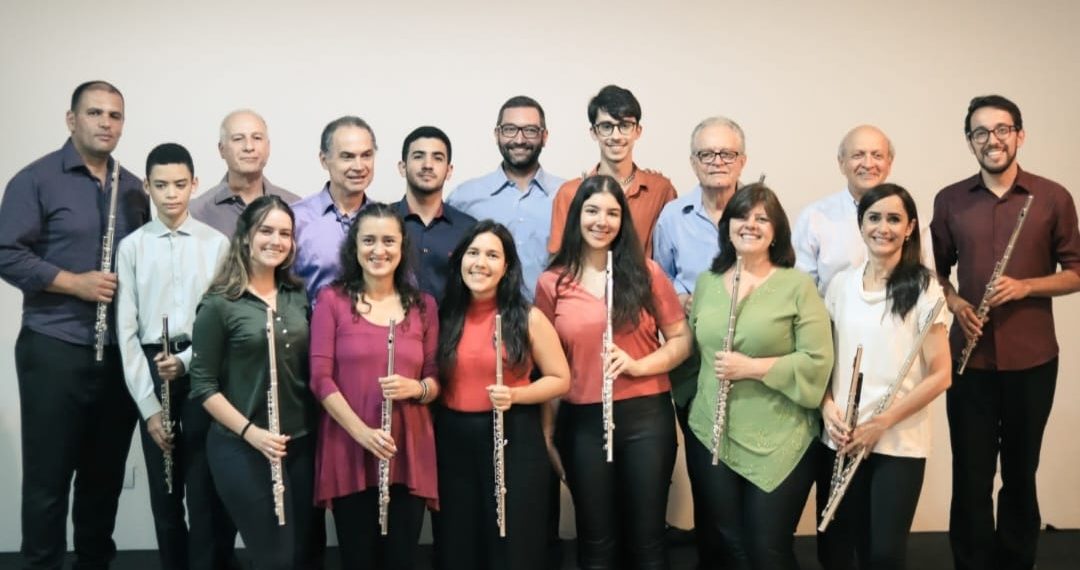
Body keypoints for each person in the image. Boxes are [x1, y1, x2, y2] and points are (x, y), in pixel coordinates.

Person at [0, 80, 150, 569]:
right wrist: (73, 283)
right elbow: (7, 253)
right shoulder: (36, 179)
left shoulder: (134, 188)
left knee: (103, 479)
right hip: (54, 346)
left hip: (116, 353)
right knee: (48, 478)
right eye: (95, 113)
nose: (106, 123)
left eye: (115, 115)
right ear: (71, 119)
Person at [931, 95, 1080, 570]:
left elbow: (1076, 272)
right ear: (969, 141)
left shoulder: (1052, 197)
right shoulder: (950, 200)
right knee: (970, 476)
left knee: (1020, 473)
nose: (992, 140)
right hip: (968, 360)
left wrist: (1027, 286)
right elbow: (934, 275)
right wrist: (956, 303)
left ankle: (1016, 562)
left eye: (1001, 129)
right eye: (980, 132)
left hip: (1033, 360)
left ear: (1019, 135)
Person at [535, 175, 692, 570]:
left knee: (647, 541)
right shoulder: (552, 282)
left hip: (646, 418)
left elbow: (681, 341)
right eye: (592, 211)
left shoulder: (646, 272)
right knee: (596, 543)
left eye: (612, 213)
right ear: (577, 216)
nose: (601, 221)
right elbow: (549, 369)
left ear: (623, 221)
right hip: (582, 421)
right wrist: (548, 433)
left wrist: (639, 365)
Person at [684, 183, 833, 570]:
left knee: (767, 550)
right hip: (711, 432)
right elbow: (693, 353)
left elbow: (817, 360)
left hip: (781, 435)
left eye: (762, 219)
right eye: (742, 216)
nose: (750, 224)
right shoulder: (707, 282)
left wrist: (752, 368)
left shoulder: (797, 285)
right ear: (727, 226)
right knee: (730, 544)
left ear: (776, 231)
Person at [815, 183, 952, 570]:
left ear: (909, 228)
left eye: (894, 219)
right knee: (837, 551)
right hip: (842, 436)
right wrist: (826, 407)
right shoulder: (840, 285)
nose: (883, 227)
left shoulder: (925, 289)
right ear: (861, 224)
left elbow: (941, 375)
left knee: (883, 555)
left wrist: (882, 422)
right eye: (874, 217)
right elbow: (824, 360)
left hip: (898, 443)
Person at [308, 202, 440, 570]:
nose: (378, 250)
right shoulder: (332, 300)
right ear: (354, 247)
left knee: (402, 558)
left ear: (402, 247)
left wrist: (416, 389)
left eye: (388, 241)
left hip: (407, 447)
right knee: (358, 558)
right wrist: (362, 433)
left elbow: (435, 377)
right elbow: (320, 377)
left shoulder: (424, 306)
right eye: (368, 240)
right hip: (349, 445)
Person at [115, 143, 229, 570]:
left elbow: (221, 320)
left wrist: (186, 360)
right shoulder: (131, 247)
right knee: (165, 493)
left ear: (194, 184)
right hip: (151, 365)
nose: (171, 194)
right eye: (160, 185)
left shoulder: (216, 244)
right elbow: (126, 331)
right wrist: (149, 409)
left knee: (202, 490)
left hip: (203, 365)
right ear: (147, 186)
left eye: (180, 184)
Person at [189, 196, 318, 570]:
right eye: (266, 231)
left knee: (301, 553)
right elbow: (203, 385)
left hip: (300, 442)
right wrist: (252, 434)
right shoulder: (219, 303)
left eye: (285, 233)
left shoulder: (297, 295)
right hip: (243, 446)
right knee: (273, 557)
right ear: (245, 235)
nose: (276, 241)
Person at [434, 220, 570, 570]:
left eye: (492, 255)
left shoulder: (528, 317)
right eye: (473, 253)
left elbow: (560, 379)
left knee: (511, 544)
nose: (480, 263)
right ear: (460, 260)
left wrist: (515, 394)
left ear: (507, 266)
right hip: (453, 441)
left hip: (513, 434)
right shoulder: (444, 315)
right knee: (460, 542)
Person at [651, 116, 748, 569]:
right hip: (693, 366)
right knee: (707, 474)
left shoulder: (759, 210)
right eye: (707, 154)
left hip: (750, 364)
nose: (717, 162)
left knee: (745, 471)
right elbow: (660, 284)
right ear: (692, 162)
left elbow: (782, 273)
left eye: (726, 153)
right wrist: (681, 299)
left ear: (742, 160)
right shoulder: (673, 217)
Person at [448, 96, 565, 300]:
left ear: (544, 136)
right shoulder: (464, 198)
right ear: (497, 134)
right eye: (510, 129)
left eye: (530, 130)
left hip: (551, 317)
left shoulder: (567, 195)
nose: (519, 140)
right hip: (482, 316)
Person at [547, 85, 676, 259]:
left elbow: (670, 259)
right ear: (594, 132)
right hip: (584, 277)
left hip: (642, 277)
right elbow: (559, 261)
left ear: (638, 131)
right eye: (606, 126)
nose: (616, 136)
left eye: (625, 125)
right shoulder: (570, 192)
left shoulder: (660, 190)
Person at [793, 125, 895, 294]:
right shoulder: (814, 218)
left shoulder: (912, 220)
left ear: (889, 164)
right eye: (858, 155)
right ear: (841, 163)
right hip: (830, 311)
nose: (868, 164)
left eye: (877, 155)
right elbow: (799, 291)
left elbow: (928, 287)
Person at [294, 116, 376, 302]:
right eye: (347, 157)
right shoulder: (296, 219)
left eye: (366, 155)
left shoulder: (385, 221)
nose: (359, 166)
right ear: (324, 160)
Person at [392, 126, 476, 301]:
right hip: (389, 319)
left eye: (437, 158)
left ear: (449, 170)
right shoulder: (381, 222)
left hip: (450, 320)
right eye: (418, 156)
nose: (428, 165)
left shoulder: (468, 229)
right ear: (402, 167)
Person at [191, 109, 300, 236]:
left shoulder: (295, 206)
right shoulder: (196, 213)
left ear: (268, 147)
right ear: (221, 149)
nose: (249, 147)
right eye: (238, 139)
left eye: (257, 138)